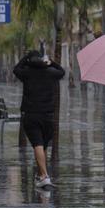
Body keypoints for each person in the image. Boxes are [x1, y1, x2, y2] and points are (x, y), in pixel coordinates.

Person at [14, 50, 65, 188]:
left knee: (38, 145)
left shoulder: (27, 73)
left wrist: (26, 58)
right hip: (48, 116)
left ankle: (44, 176)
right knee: (42, 145)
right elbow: (61, 71)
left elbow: (16, 69)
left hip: (31, 114)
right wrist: (51, 62)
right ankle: (41, 175)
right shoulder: (50, 72)